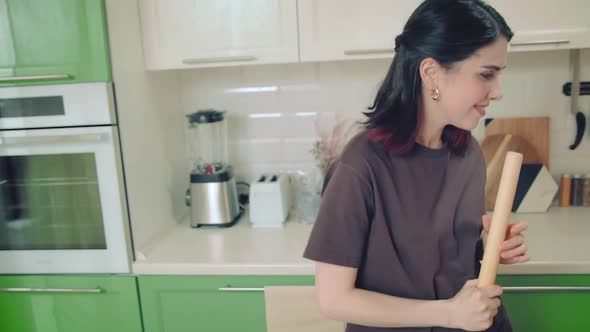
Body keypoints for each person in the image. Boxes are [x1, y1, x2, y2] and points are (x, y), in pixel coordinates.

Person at [303, 0, 530, 331]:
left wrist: (491, 246)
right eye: (486, 74)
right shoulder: (360, 165)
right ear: (431, 73)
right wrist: (448, 313)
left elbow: (445, 257)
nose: (498, 92)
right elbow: (334, 299)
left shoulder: (467, 153)